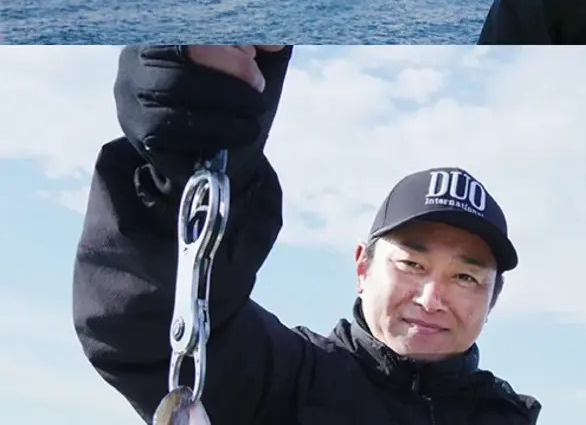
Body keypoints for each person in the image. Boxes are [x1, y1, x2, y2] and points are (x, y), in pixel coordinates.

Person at [72, 45, 541, 425]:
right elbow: (142, 322)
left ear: (492, 299)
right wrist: (179, 168)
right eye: (412, 264)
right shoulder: (283, 378)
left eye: (464, 277)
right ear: (362, 266)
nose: (432, 298)